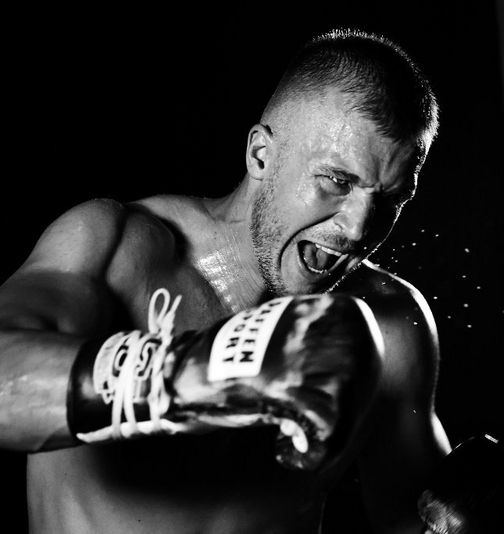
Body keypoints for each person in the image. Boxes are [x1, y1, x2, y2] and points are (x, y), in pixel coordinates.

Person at [0, 28, 450, 533]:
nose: (358, 228)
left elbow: (412, 521)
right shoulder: (118, 249)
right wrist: (185, 376)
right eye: (337, 182)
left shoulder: (389, 324)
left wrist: (487, 514)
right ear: (261, 156)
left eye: (391, 199)